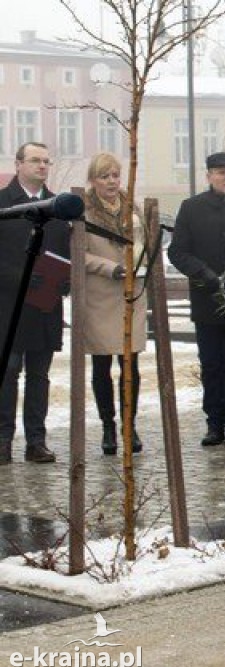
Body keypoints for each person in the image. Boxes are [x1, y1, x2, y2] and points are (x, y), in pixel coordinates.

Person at [169, 152, 225, 447]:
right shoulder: (192, 208)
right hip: (207, 300)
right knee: (212, 364)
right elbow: (178, 252)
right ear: (209, 175)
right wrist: (204, 273)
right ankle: (215, 422)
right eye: (222, 172)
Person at [0, 142, 70, 464]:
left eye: (46, 161)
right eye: (35, 160)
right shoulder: (3, 204)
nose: (42, 166)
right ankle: (2, 440)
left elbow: (66, 254)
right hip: (8, 307)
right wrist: (23, 277)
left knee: (39, 377)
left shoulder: (58, 208)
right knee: (8, 373)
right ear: (18, 164)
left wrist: (65, 280)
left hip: (45, 308)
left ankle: (36, 441)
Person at [82, 153, 150, 456]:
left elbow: (145, 242)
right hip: (100, 294)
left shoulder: (132, 207)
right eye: (104, 176)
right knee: (101, 364)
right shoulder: (83, 210)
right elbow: (78, 253)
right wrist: (110, 268)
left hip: (130, 293)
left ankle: (129, 424)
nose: (111, 181)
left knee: (130, 364)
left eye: (115, 175)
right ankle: (108, 425)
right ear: (94, 180)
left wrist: (141, 265)